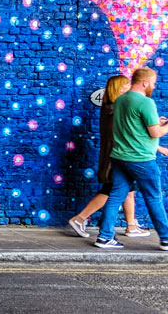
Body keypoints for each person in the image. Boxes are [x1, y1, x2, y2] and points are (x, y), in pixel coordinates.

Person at [94, 67, 168, 251]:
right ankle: (167, 238)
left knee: (116, 196)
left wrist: (156, 120)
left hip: (119, 156)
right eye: (153, 83)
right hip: (140, 159)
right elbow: (155, 132)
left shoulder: (120, 100)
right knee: (153, 196)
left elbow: (133, 126)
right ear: (145, 82)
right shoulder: (146, 102)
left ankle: (105, 237)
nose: (154, 86)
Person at [69, 75, 150, 238]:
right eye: (127, 86)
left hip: (116, 155)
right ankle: (80, 219)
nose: (131, 89)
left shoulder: (111, 107)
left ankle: (131, 225)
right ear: (120, 88)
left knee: (129, 191)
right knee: (111, 190)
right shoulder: (116, 109)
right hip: (118, 157)